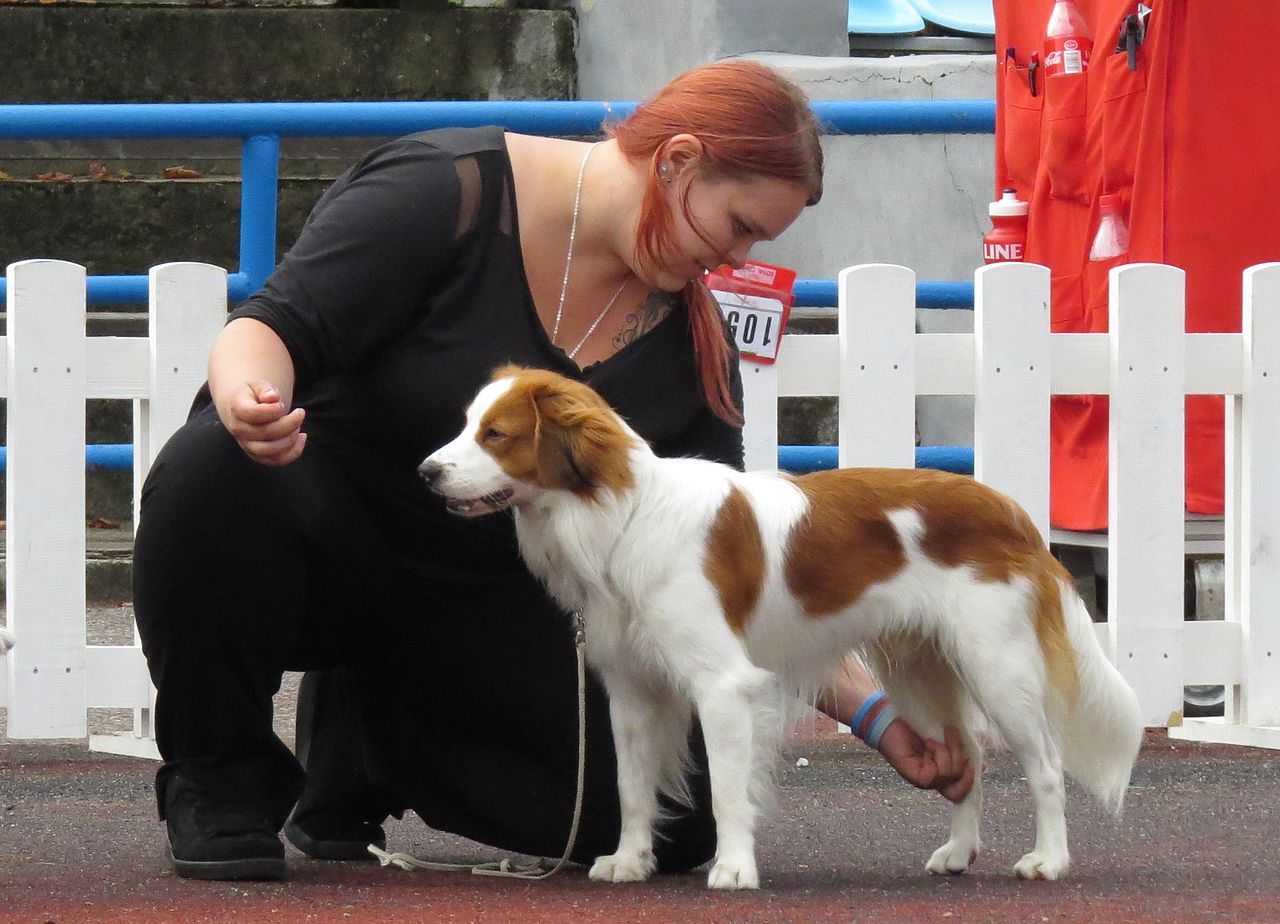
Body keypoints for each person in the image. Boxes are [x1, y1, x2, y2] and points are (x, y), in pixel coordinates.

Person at [132, 59, 972, 882]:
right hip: (332, 548)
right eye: (739, 226)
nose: (733, 260)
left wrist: (877, 715)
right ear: (677, 161)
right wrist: (252, 394)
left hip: (491, 607)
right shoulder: (444, 189)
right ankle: (219, 782)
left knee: (670, 826)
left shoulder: (691, 346)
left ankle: (371, 737)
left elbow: (741, 583)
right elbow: (271, 324)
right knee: (212, 467)